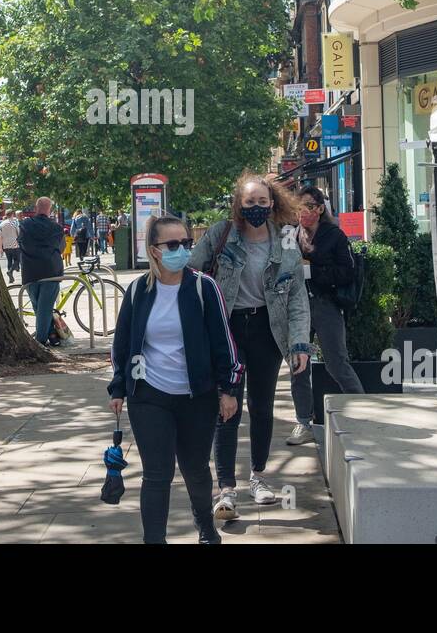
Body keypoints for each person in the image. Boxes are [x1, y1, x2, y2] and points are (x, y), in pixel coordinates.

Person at [109, 214, 242, 544]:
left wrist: (228, 390)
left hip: (197, 396)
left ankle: (206, 530)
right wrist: (118, 388)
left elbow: (222, 341)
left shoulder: (202, 287)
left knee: (196, 470)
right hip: (149, 395)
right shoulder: (139, 290)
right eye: (172, 244)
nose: (181, 249)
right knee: (157, 474)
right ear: (154, 250)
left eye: (185, 243)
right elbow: (122, 343)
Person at [187, 171, 310, 522]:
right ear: (239, 204)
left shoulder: (286, 239)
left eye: (262, 201)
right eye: (249, 201)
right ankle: (225, 488)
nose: (256, 207)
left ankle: (258, 476)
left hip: (268, 329)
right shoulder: (221, 235)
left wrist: (300, 342)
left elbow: (297, 295)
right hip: (227, 329)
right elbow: (191, 277)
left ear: (272, 203)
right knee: (227, 405)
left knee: (262, 405)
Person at [286, 186, 364, 447]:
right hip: (297, 307)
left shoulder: (334, 236)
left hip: (325, 305)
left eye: (307, 206)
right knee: (298, 365)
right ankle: (303, 422)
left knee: (336, 361)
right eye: (298, 207)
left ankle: (363, 411)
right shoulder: (292, 235)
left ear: (320, 209)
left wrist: (314, 271)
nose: (301, 212)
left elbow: (347, 272)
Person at [19, 197, 66, 347]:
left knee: (38, 308)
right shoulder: (57, 228)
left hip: (31, 272)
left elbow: (21, 242)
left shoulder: (25, 224)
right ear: (50, 209)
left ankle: (48, 335)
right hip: (51, 271)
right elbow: (61, 247)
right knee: (44, 309)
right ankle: (41, 340)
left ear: (36, 207)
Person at [0, 210, 21, 280]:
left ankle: (10, 278)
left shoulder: (2, 224)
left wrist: (0, 248)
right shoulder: (15, 222)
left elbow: (0, 236)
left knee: (9, 261)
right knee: (17, 260)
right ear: (12, 214)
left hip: (6, 245)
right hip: (15, 244)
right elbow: (18, 232)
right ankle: (10, 271)